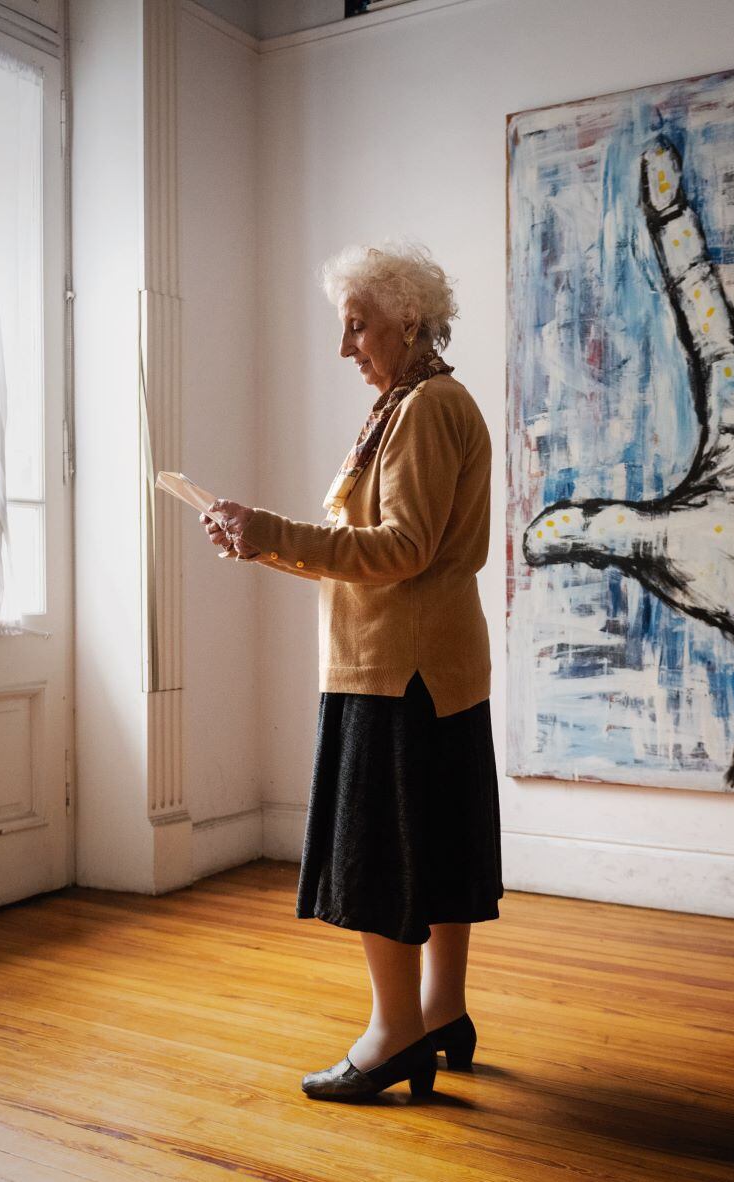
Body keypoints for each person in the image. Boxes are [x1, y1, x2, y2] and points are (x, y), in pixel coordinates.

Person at [199, 241, 501, 1102]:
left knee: (385, 862)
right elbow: (371, 553)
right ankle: (440, 1012)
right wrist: (263, 541)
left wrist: (274, 533)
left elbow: (401, 550)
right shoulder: (412, 405)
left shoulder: (424, 409)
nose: (345, 347)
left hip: (396, 675)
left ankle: (393, 1035)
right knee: (438, 848)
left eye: (356, 325)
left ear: (407, 319)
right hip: (422, 666)